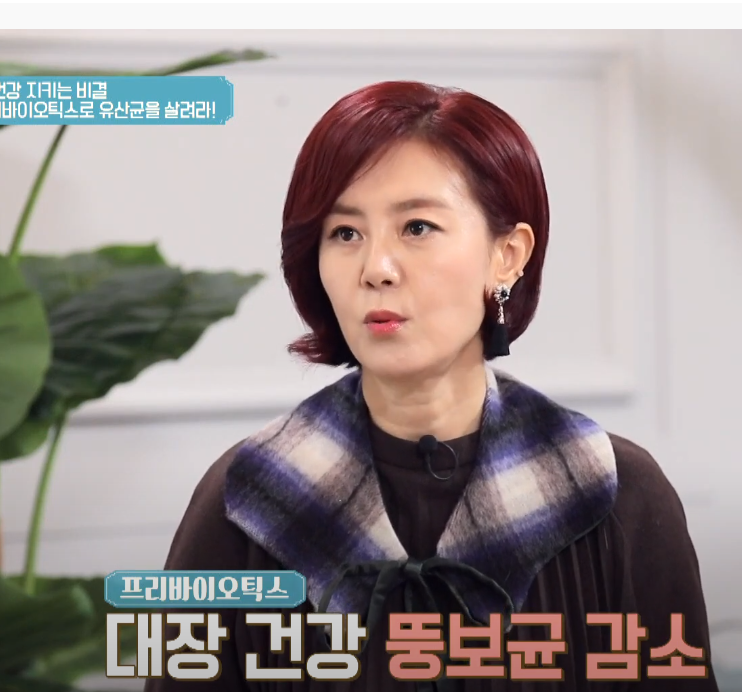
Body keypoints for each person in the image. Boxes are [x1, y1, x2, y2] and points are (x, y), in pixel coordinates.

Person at [143, 82, 718, 691]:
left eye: (416, 227)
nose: (376, 269)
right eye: (345, 233)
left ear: (507, 255)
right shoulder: (248, 499)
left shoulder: (613, 493)